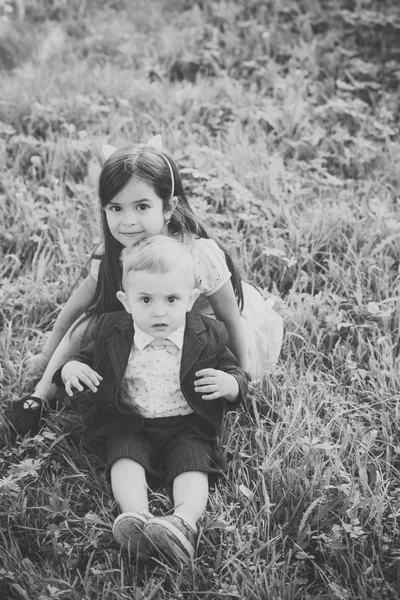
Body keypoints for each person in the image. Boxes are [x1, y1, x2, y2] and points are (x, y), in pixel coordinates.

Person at [5, 136, 283, 436]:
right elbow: (76, 308)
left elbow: (229, 317)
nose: (127, 221)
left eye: (141, 206)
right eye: (115, 208)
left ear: (168, 208)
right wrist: (46, 354)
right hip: (145, 323)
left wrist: (243, 374)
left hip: (196, 335)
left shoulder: (198, 254)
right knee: (90, 322)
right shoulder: (114, 253)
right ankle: (40, 395)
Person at [54, 236, 249, 564]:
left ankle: (181, 522)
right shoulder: (111, 330)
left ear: (191, 299)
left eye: (172, 299)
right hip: (131, 422)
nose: (159, 312)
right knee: (123, 460)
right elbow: (84, 360)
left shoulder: (208, 334)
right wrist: (71, 368)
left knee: (192, 466)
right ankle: (136, 518)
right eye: (145, 300)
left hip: (187, 424)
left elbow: (236, 374)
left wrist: (231, 384)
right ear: (126, 301)